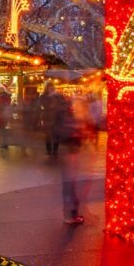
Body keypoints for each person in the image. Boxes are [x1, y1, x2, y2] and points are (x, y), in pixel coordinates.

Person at [52, 86, 86, 224]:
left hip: (66, 149)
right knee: (69, 184)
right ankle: (71, 215)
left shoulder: (59, 114)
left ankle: (69, 214)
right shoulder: (67, 114)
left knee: (67, 184)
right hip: (70, 150)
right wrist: (76, 131)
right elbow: (68, 131)